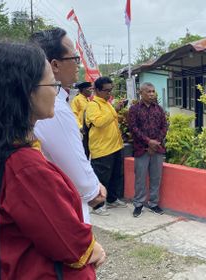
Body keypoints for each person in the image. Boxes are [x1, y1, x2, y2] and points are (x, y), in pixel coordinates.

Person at [0, 41, 105, 279]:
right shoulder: (26, 168)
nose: (56, 90)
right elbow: (71, 242)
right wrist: (93, 248)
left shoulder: (7, 153)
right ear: (24, 91)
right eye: (51, 83)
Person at [30, 28, 106, 222]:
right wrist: (95, 188)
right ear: (54, 65)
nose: (78, 65)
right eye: (75, 58)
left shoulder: (55, 104)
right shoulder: (53, 109)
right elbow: (86, 186)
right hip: (66, 216)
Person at [85, 76, 127, 214]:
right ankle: (98, 205)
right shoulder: (93, 105)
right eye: (106, 90)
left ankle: (112, 199)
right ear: (97, 90)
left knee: (116, 175)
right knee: (101, 177)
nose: (109, 93)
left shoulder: (107, 103)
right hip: (102, 149)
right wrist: (114, 109)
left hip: (115, 146)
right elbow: (99, 122)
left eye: (111, 90)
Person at [128, 82, 168, 217]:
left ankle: (153, 203)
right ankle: (138, 204)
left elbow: (164, 126)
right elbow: (133, 129)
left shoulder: (159, 109)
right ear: (141, 93)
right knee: (140, 178)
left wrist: (156, 143)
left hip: (157, 148)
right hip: (141, 149)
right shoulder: (134, 109)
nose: (151, 94)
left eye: (153, 91)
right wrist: (148, 142)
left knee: (156, 178)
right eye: (148, 92)